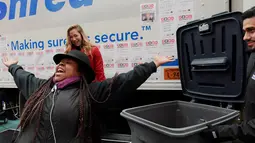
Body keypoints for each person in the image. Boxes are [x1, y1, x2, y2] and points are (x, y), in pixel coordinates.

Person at [2, 50, 172, 143]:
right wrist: (13, 67)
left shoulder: (90, 92)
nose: (60, 65)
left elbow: (123, 81)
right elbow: (23, 76)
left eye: (67, 63)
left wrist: (152, 65)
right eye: (59, 63)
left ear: (80, 71)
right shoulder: (40, 87)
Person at [201, 6, 255, 143]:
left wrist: (220, 132)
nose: (245, 37)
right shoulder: (253, 56)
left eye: (251, 30)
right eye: (244, 31)